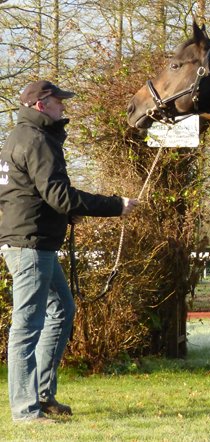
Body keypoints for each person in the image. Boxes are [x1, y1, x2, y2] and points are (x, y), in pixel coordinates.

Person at [0, 80, 139, 423]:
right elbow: (59, 195)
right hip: (31, 245)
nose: (64, 106)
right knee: (26, 327)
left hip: (32, 242)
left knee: (62, 309)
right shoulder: (37, 140)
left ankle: (41, 395)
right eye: (58, 101)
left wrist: (62, 213)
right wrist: (115, 205)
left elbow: (28, 194)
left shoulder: (19, 137)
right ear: (41, 105)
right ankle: (25, 410)